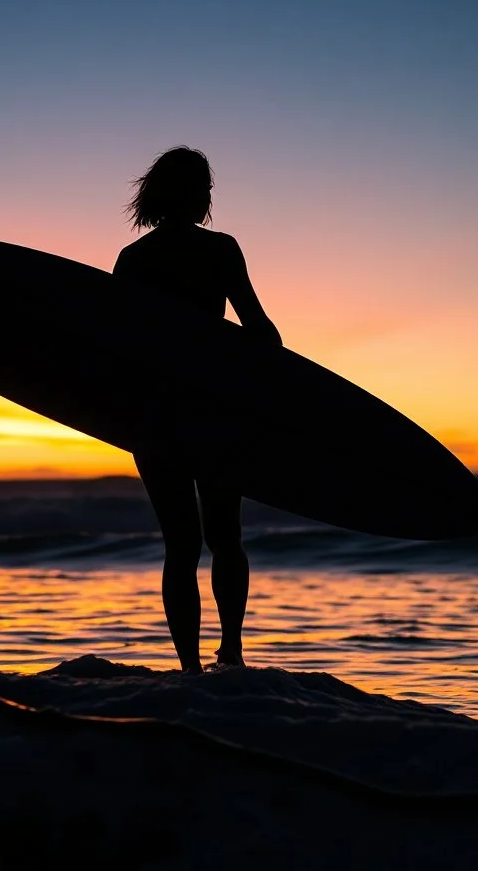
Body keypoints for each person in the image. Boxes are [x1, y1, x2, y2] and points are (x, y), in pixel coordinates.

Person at [113, 146, 281, 673]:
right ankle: (231, 653)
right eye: (205, 187)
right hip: (213, 411)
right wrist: (283, 387)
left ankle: (189, 671)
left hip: (156, 417)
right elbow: (258, 327)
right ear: (194, 194)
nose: (209, 196)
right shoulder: (221, 250)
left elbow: (112, 348)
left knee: (179, 546)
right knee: (225, 536)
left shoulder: (133, 261)